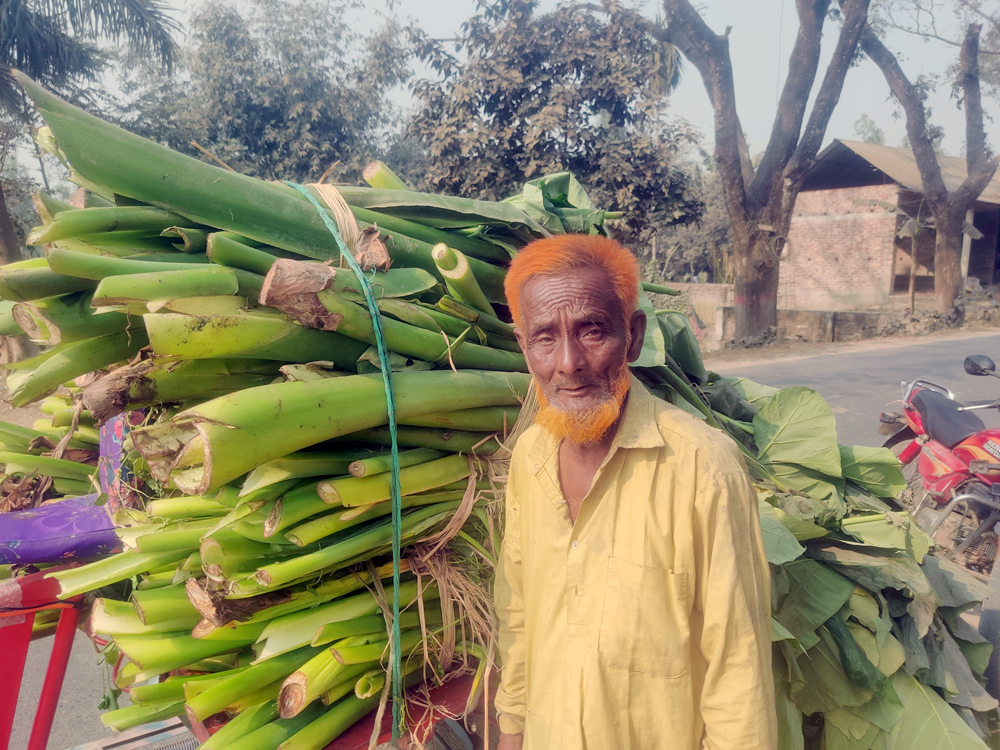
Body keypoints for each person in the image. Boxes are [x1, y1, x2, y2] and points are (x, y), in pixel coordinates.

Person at [494, 235, 776, 749]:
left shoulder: (703, 468)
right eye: (545, 338)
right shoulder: (529, 458)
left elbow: (738, 667)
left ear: (634, 336)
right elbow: (517, 615)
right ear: (524, 347)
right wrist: (511, 732)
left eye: (592, 331)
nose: (569, 362)